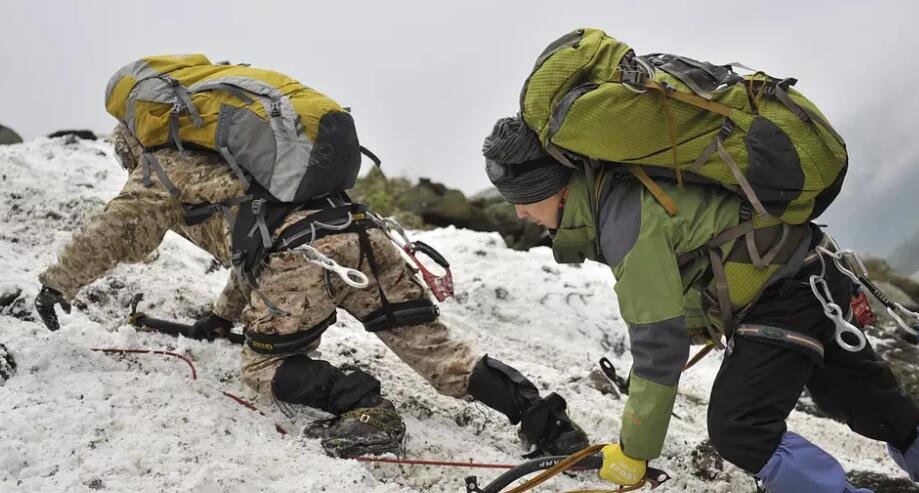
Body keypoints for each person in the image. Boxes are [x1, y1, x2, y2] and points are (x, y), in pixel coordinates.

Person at [35, 123, 589, 458]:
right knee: (441, 356)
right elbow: (249, 253)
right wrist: (222, 316)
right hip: (363, 233)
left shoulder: (158, 168)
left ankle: (365, 408)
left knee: (263, 367)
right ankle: (549, 425)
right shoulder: (244, 159)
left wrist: (58, 284)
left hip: (303, 256)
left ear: (132, 148)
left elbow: (109, 234)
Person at [483, 115, 919, 491]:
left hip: (783, 294)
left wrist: (635, 453)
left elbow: (659, 345)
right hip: (812, 270)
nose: (520, 213)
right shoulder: (617, 192)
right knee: (876, 406)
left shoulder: (622, 220)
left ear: (556, 187)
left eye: (523, 198)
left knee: (740, 428)